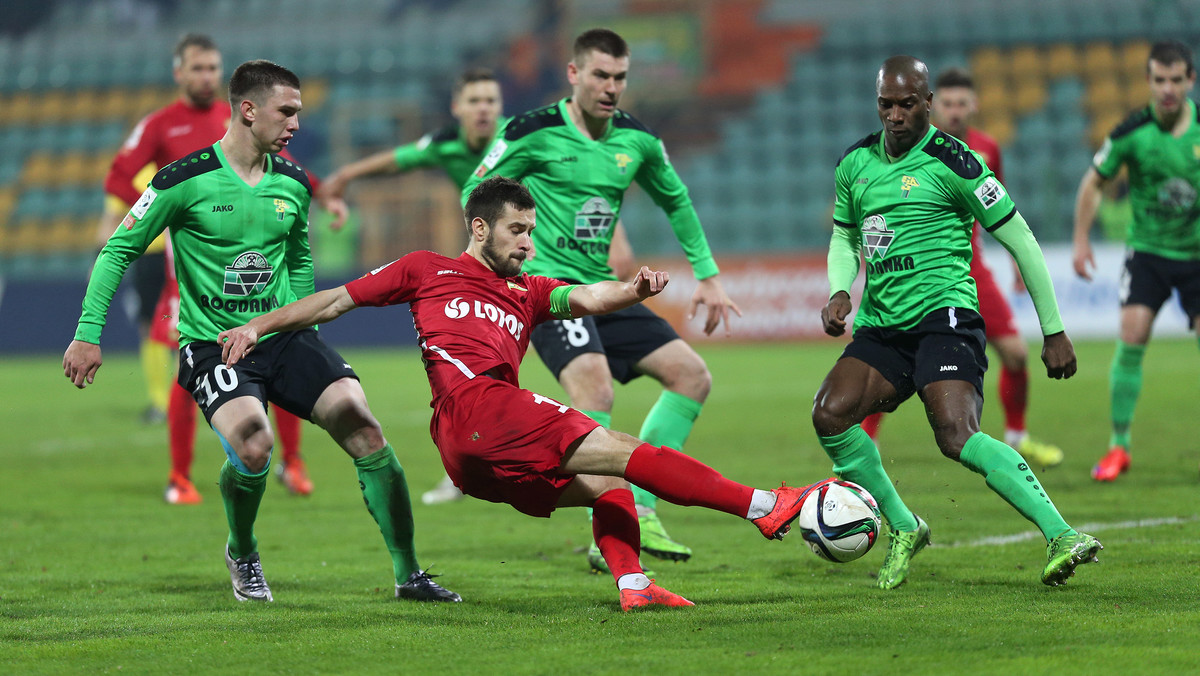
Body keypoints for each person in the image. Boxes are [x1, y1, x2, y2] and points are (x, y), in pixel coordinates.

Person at [217, 176, 812, 611]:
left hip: (473, 457)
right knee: (623, 447)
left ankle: (634, 586)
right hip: (479, 410)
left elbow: (589, 297)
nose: (528, 243)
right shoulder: (426, 269)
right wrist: (258, 325)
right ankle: (764, 506)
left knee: (610, 483)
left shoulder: (527, 291)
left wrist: (632, 291)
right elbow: (334, 300)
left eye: (532, 231)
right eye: (517, 230)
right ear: (480, 227)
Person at [64, 60, 458, 604]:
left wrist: (299, 320)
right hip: (212, 344)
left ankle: (409, 574)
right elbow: (117, 252)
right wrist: (88, 333)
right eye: (287, 111)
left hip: (281, 337)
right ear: (248, 110)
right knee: (253, 445)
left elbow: (298, 256)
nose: (296, 123)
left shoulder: (293, 183)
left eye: (299, 112)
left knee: (363, 425)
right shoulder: (183, 180)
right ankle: (242, 551)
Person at [812, 56, 1101, 590]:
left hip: (946, 319)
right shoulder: (854, 163)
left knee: (955, 435)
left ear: (927, 105)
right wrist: (837, 289)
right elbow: (844, 236)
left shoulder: (957, 162)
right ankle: (904, 526)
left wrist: (1054, 329)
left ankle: (1061, 533)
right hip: (882, 327)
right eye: (885, 105)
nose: (894, 116)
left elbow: (1021, 240)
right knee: (830, 415)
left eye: (906, 105)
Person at [462, 28, 741, 572]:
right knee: (595, 387)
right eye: (600, 75)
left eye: (620, 77)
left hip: (603, 290)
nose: (611, 87)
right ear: (574, 74)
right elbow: (477, 192)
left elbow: (676, 200)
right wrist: (492, 266)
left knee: (692, 376)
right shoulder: (531, 130)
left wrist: (708, 275)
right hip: (550, 292)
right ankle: (606, 528)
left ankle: (640, 502)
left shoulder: (636, 139)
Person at [98, 34, 342, 503]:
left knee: (284, 345)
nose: (206, 76)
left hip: (256, 260)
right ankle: (180, 475)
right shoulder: (159, 125)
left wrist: (325, 191)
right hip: (191, 261)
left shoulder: (238, 119)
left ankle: (292, 463)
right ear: (179, 73)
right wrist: (158, 215)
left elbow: (284, 168)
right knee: (188, 357)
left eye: (213, 68)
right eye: (198, 68)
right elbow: (116, 174)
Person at [860, 67, 1064, 469]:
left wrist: (1015, 263)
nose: (954, 112)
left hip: (971, 268)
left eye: (961, 104)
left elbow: (1000, 209)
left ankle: (1018, 437)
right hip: (922, 272)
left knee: (1017, 355)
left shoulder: (985, 149)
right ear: (935, 105)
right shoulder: (911, 148)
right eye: (947, 104)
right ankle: (869, 445)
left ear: (974, 105)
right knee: (888, 361)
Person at [1072, 40, 1200, 482]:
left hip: (1197, 254)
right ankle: (1119, 447)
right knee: (1132, 334)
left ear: (1190, 80)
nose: (1167, 88)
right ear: (1148, 81)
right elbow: (1093, 183)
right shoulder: (1130, 133)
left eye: (1175, 79)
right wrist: (1081, 240)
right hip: (1147, 252)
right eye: (1159, 79)